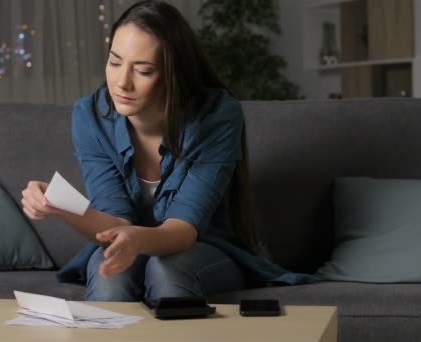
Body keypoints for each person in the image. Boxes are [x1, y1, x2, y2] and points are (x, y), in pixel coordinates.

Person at [21, 0, 315, 302]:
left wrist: (138, 239)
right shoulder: (91, 116)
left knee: (166, 269)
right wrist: (59, 203)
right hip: (128, 243)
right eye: (114, 61)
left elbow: (182, 229)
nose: (122, 82)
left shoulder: (218, 116)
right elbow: (116, 221)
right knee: (109, 272)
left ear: (174, 74)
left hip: (203, 249)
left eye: (143, 70)